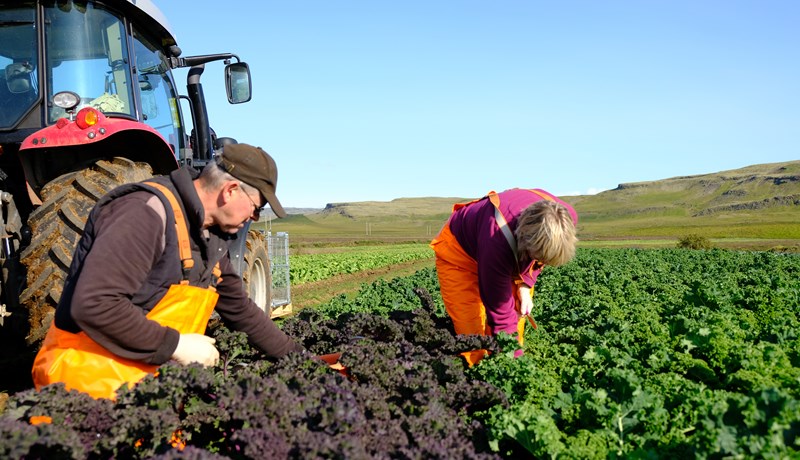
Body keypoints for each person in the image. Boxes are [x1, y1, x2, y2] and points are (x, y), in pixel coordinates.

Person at [32, 143, 303, 399]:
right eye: (257, 208)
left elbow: (240, 310)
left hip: (142, 387)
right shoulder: (145, 213)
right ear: (230, 190)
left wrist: (302, 362)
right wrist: (175, 345)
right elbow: (94, 304)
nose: (254, 218)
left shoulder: (210, 237)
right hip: (88, 386)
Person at [430, 188, 578, 366]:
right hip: (459, 252)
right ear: (524, 240)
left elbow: (539, 258)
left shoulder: (565, 219)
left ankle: (506, 361)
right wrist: (513, 364)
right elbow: (500, 313)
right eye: (536, 256)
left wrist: (525, 284)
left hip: (505, 246)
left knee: (518, 311)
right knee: (471, 332)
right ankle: (477, 373)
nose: (539, 262)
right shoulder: (496, 240)